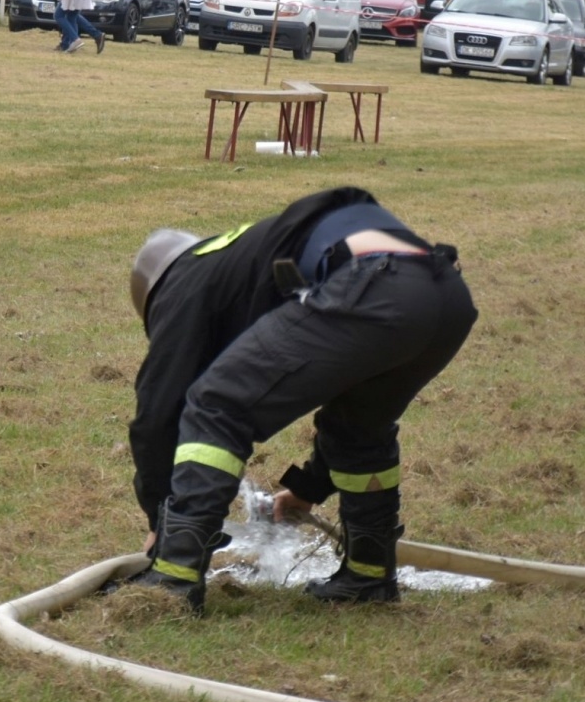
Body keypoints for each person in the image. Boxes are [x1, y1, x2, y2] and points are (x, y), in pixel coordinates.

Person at [122, 187, 478, 613]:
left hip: (378, 282)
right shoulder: (236, 259)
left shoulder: (184, 282)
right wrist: (307, 488)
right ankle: (367, 577)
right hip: (444, 294)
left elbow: (159, 414)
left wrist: (160, 519)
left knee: (218, 402)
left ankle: (174, 576)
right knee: (358, 428)